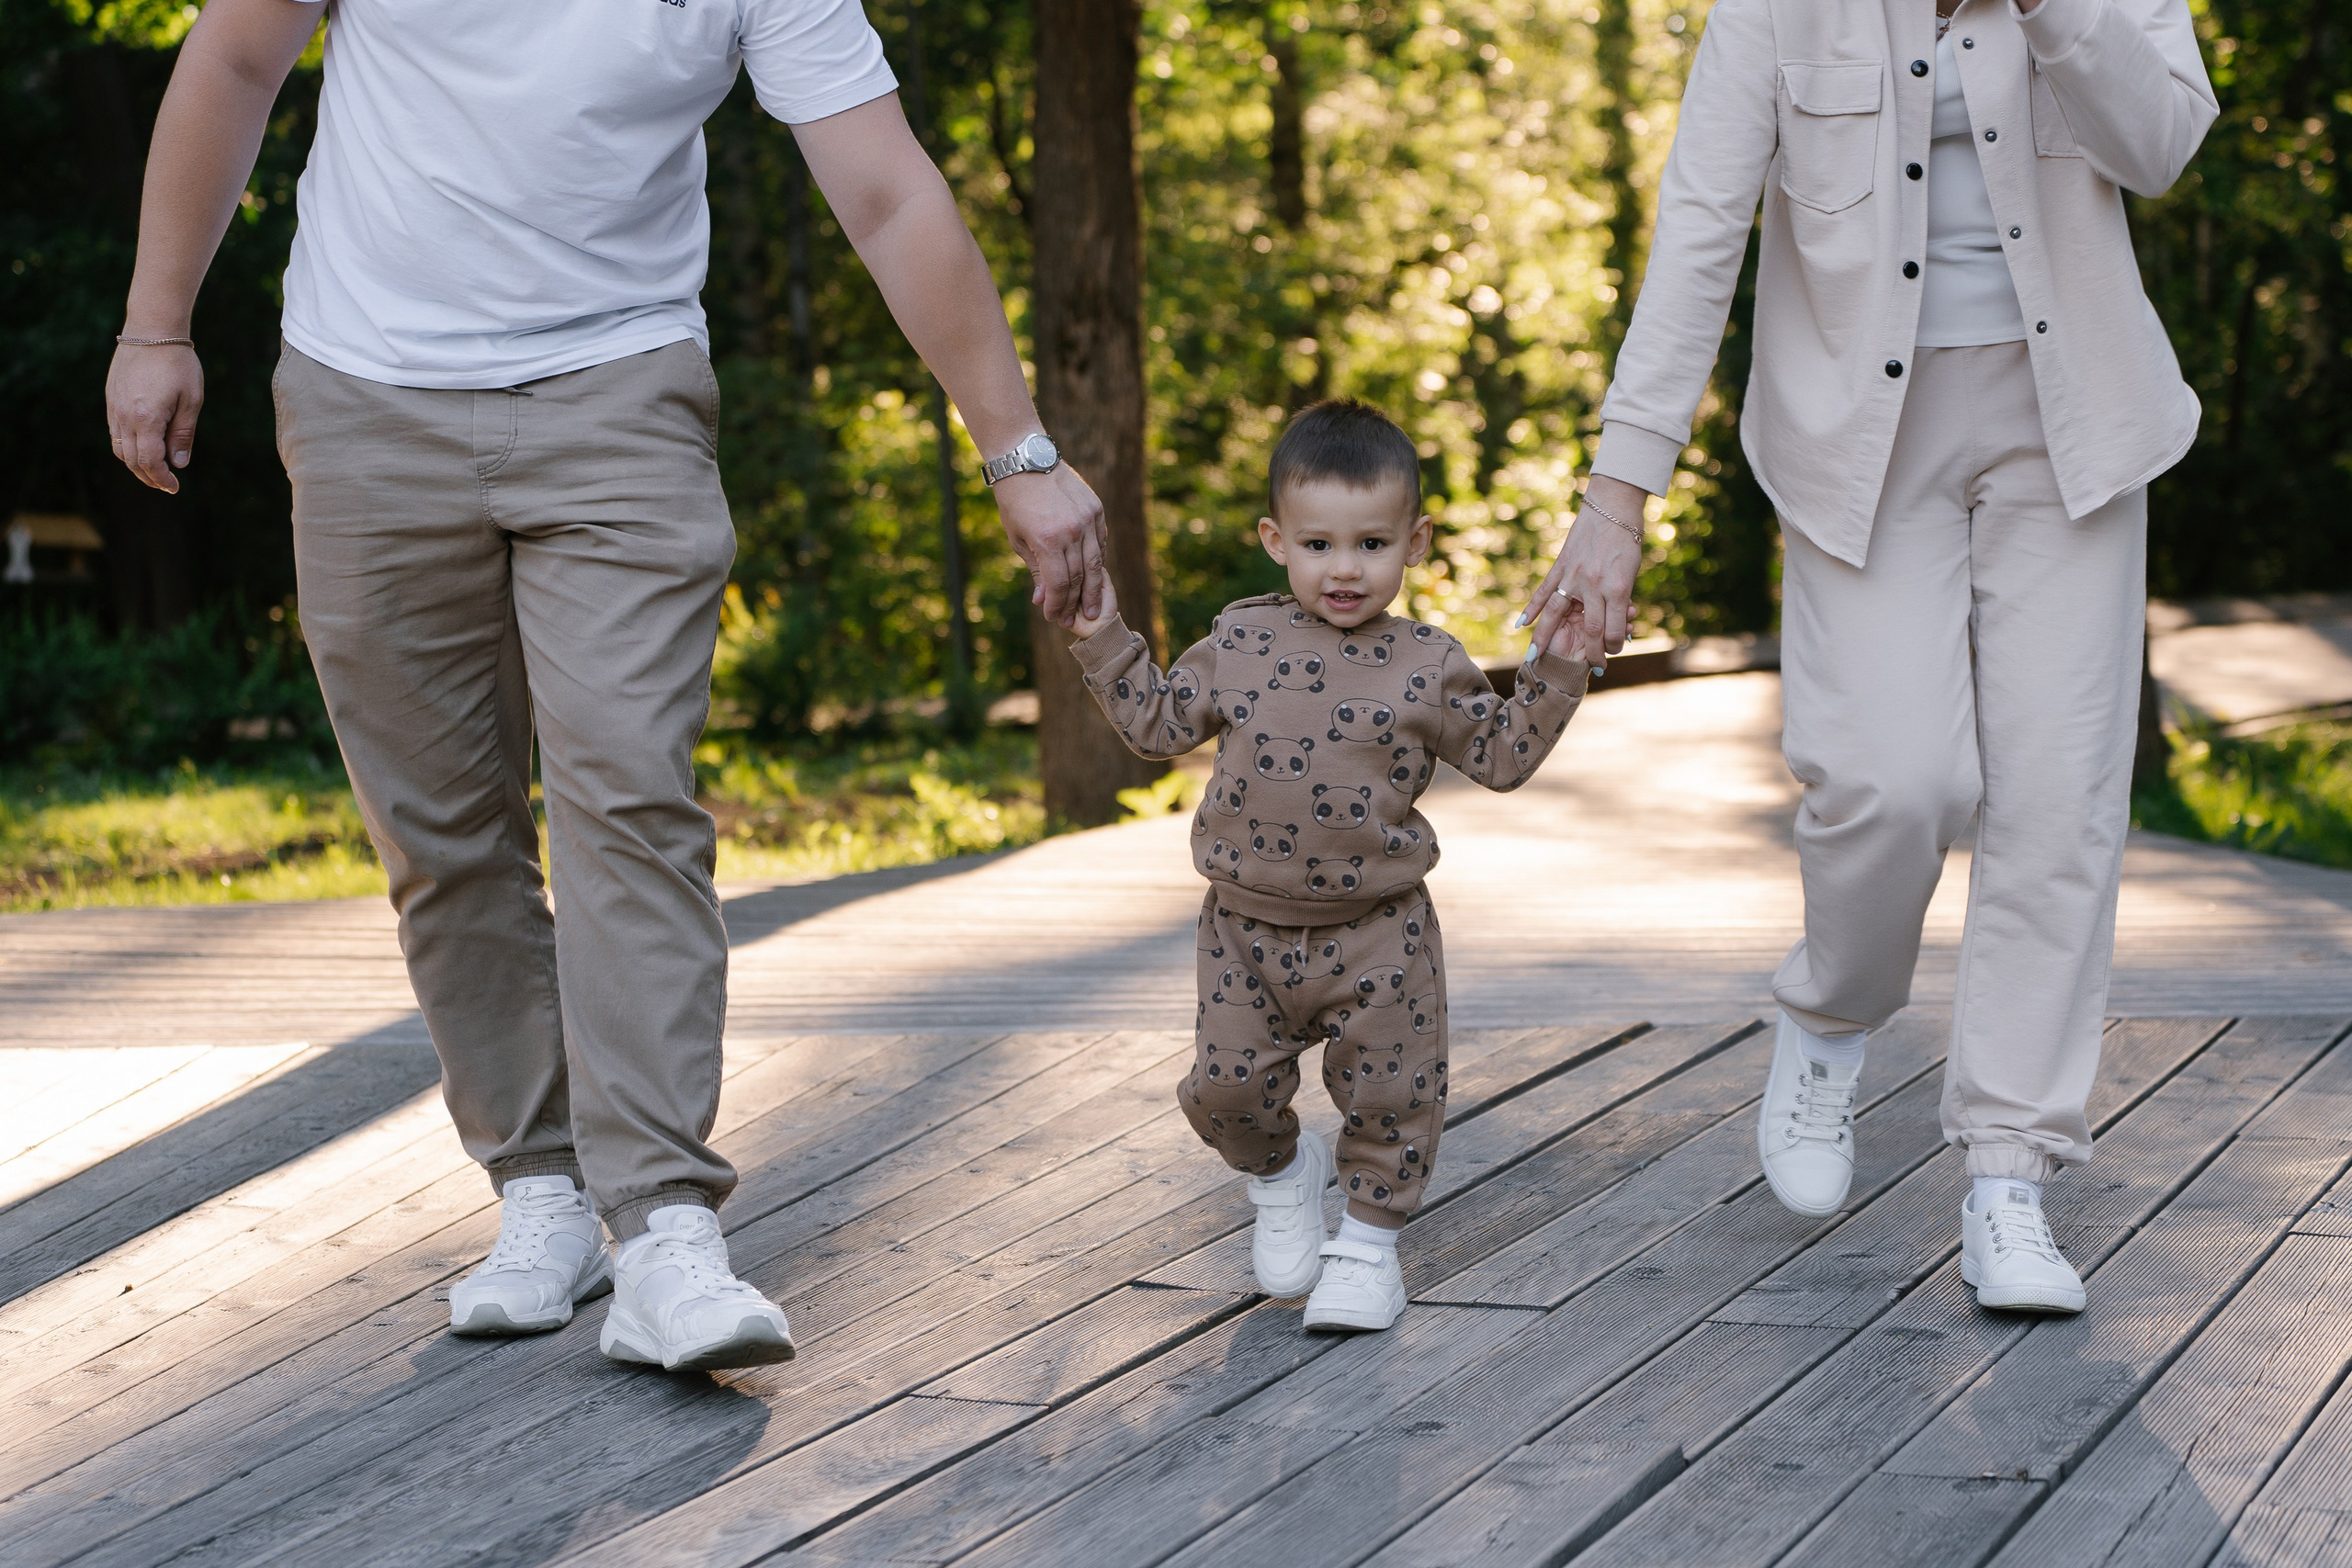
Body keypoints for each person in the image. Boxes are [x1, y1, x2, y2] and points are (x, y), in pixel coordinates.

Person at [103, 0, 1113, 1372]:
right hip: (364, 394)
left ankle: (664, 1229)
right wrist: (154, 325)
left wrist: (1018, 449)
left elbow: (884, 191)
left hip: (621, 396)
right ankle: (542, 1189)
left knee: (629, 791)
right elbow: (232, 58)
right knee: (442, 827)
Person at [1525, 0, 2214, 1313]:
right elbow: (1699, 230)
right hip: (1859, 438)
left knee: (2058, 802)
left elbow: (2165, 141)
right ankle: (1832, 1012)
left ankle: (2010, 1172)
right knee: (1888, 779)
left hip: (2074, 426)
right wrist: (1620, 494)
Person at [1069, 400, 1589, 1332]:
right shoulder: (1238, 641)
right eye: (1317, 543)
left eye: (1371, 543)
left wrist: (1561, 665)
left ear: (1414, 541)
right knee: (1225, 1092)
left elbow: (1503, 757)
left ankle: (1365, 1249)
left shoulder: (1427, 661)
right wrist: (1102, 635)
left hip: (1377, 932)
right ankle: (1279, 1174)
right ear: (1275, 538)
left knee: (1392, 1098)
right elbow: (1155, 724)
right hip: (1243, 929)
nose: (1343, 569)